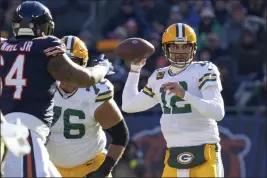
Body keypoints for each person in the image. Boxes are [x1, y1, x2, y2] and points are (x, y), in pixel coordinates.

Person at [0, 1, 113, 177]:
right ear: (45, 27)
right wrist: (102, 67)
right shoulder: (45, 46)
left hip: (13, 131)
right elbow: (85, 79)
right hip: (24, 133)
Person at [122, 23, 225, 177]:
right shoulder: (159, 76)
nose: (180, 51)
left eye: (185, 46)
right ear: (166, 48)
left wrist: (185, 95)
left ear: (193, 48)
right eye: (175, 46)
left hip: (205, 149)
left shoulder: (204, 69)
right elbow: (129, 105)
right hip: (174, 152)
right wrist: (135, 70)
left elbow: (218, 112)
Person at [46, 35, 129, 177]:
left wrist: (104, 170)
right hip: (49, 167)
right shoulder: (42, 88)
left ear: (83, 65)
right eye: (63, 65)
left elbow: (120, 135)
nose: (67, 72)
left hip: (90, 166)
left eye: (73, 65)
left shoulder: (94, 92)